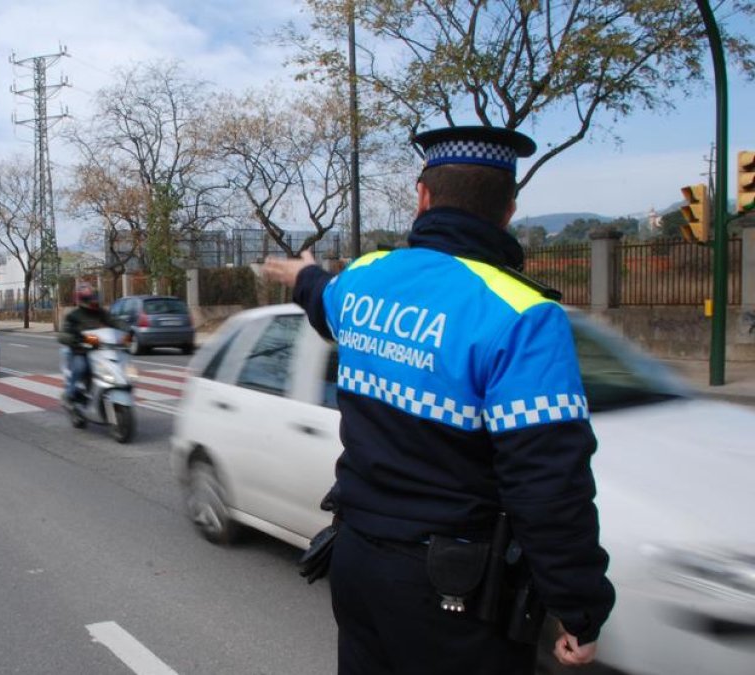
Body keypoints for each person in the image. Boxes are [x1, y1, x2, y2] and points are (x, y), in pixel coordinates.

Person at [263, 126, 614, 674]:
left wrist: (300, 272)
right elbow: (547, 482)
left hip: (357, 563)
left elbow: (319, 297)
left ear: (422, 196)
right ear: (509, 210)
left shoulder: (365, 279)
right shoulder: (524, 316)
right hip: (455, 594)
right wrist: (579, 606)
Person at [58, 283, 127, 403]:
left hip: (101, 351)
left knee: (120, 367)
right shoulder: (73, 316)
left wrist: (127, 331)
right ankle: (71, 394)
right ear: (81, 299)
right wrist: (76, 340)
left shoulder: (101, 313)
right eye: (89, 298)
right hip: (81, 351)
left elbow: (114, 321)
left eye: (94, 297)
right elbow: (63, 335)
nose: (92, 300)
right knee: (81, 368)